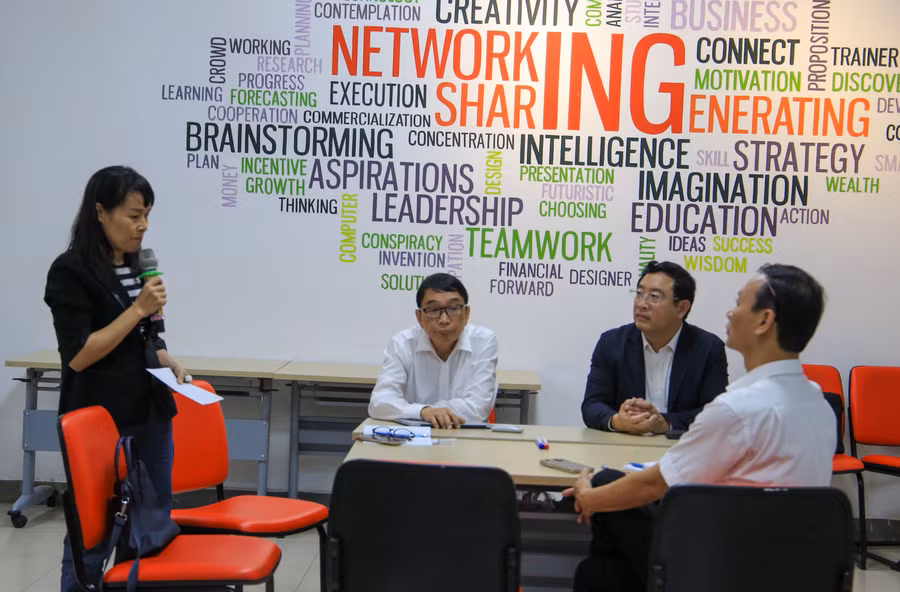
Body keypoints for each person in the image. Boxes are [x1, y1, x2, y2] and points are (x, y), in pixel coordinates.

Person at [565, 264, 835, 592]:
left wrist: (589, 496)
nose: (730, 313)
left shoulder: (737, 409)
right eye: (640, 293)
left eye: (739, 303)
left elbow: (655, 484)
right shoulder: (819, 404)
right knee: (605, 569)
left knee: (600, 551)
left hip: (720, 567)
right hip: (792, 569)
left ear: (764, 321)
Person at [45, 166, 187, 591]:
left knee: (150, 526)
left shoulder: (139, 265)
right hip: (100, 422)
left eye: (147, 216)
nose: (143, 226)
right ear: (100, 213)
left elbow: (141, 337)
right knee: (93, 534)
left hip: (150, 413)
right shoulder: (70, 271)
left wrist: (166, 358)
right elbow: (80, 356)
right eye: (133, 215)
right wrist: (138, 308)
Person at [582, 260, 728, 435]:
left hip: (681, 446)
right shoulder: (612, 343)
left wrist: (665, 423)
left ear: (681, 308)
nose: (641, 304)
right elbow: (592, 405)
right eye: (639, 294)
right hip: (626, 444)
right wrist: (617, 421)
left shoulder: (708, 349)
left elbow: (715, 414)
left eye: (654, 297)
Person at [368, 273, 498, 428]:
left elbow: (478, 406)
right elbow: (380, 402)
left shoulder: (483, 341)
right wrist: (423, 411)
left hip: (466, 432)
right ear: (419, 317)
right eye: (434, 310)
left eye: (453, 308)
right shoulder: (402, 344)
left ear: (466, 314)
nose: (444, 320)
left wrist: (427, 412)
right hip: (415, 435)